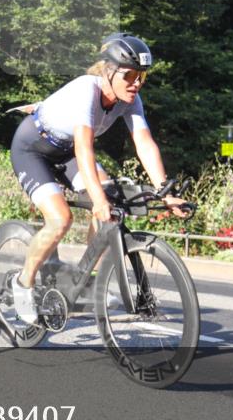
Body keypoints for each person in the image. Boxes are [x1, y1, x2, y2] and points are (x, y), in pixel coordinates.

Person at [9, 33, 187, 323]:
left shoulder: (131, 99)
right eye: (130, 76)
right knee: (61, 219)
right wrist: (98, 200)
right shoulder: (86, 91)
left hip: (67, 152)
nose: (136, 83)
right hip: (33, 149)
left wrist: (165, 193)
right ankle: (23, 283)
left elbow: (144, 143)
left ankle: (85, 280)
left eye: (142, 76)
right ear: (108, 71)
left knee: (109, 210)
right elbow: (84, 148)